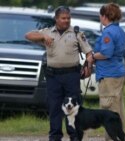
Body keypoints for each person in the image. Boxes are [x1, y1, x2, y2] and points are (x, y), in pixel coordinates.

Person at [25, 6, 92, 141]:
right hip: (53, 76)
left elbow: (89, 53)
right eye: (63, 18)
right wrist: (43, 36)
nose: (66, 21)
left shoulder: (77, 33)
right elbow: (28, 35)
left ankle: (74, 136)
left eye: (68, 18)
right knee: (54, 106)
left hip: (71, 75)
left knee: (73, 107)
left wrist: (88, 66)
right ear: (56, 19)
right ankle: (55, 136)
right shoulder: (48, 32)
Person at [87, 2, 125, 141]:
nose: (100, 18)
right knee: (118, 108)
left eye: (100, 15)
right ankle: (121, 136)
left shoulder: (108, 32)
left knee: (109, 108)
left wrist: (92, 57)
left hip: (109, 74)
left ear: (105, 16)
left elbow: (106, 53)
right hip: (119, 72)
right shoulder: (120, 30)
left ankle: (111, 138)